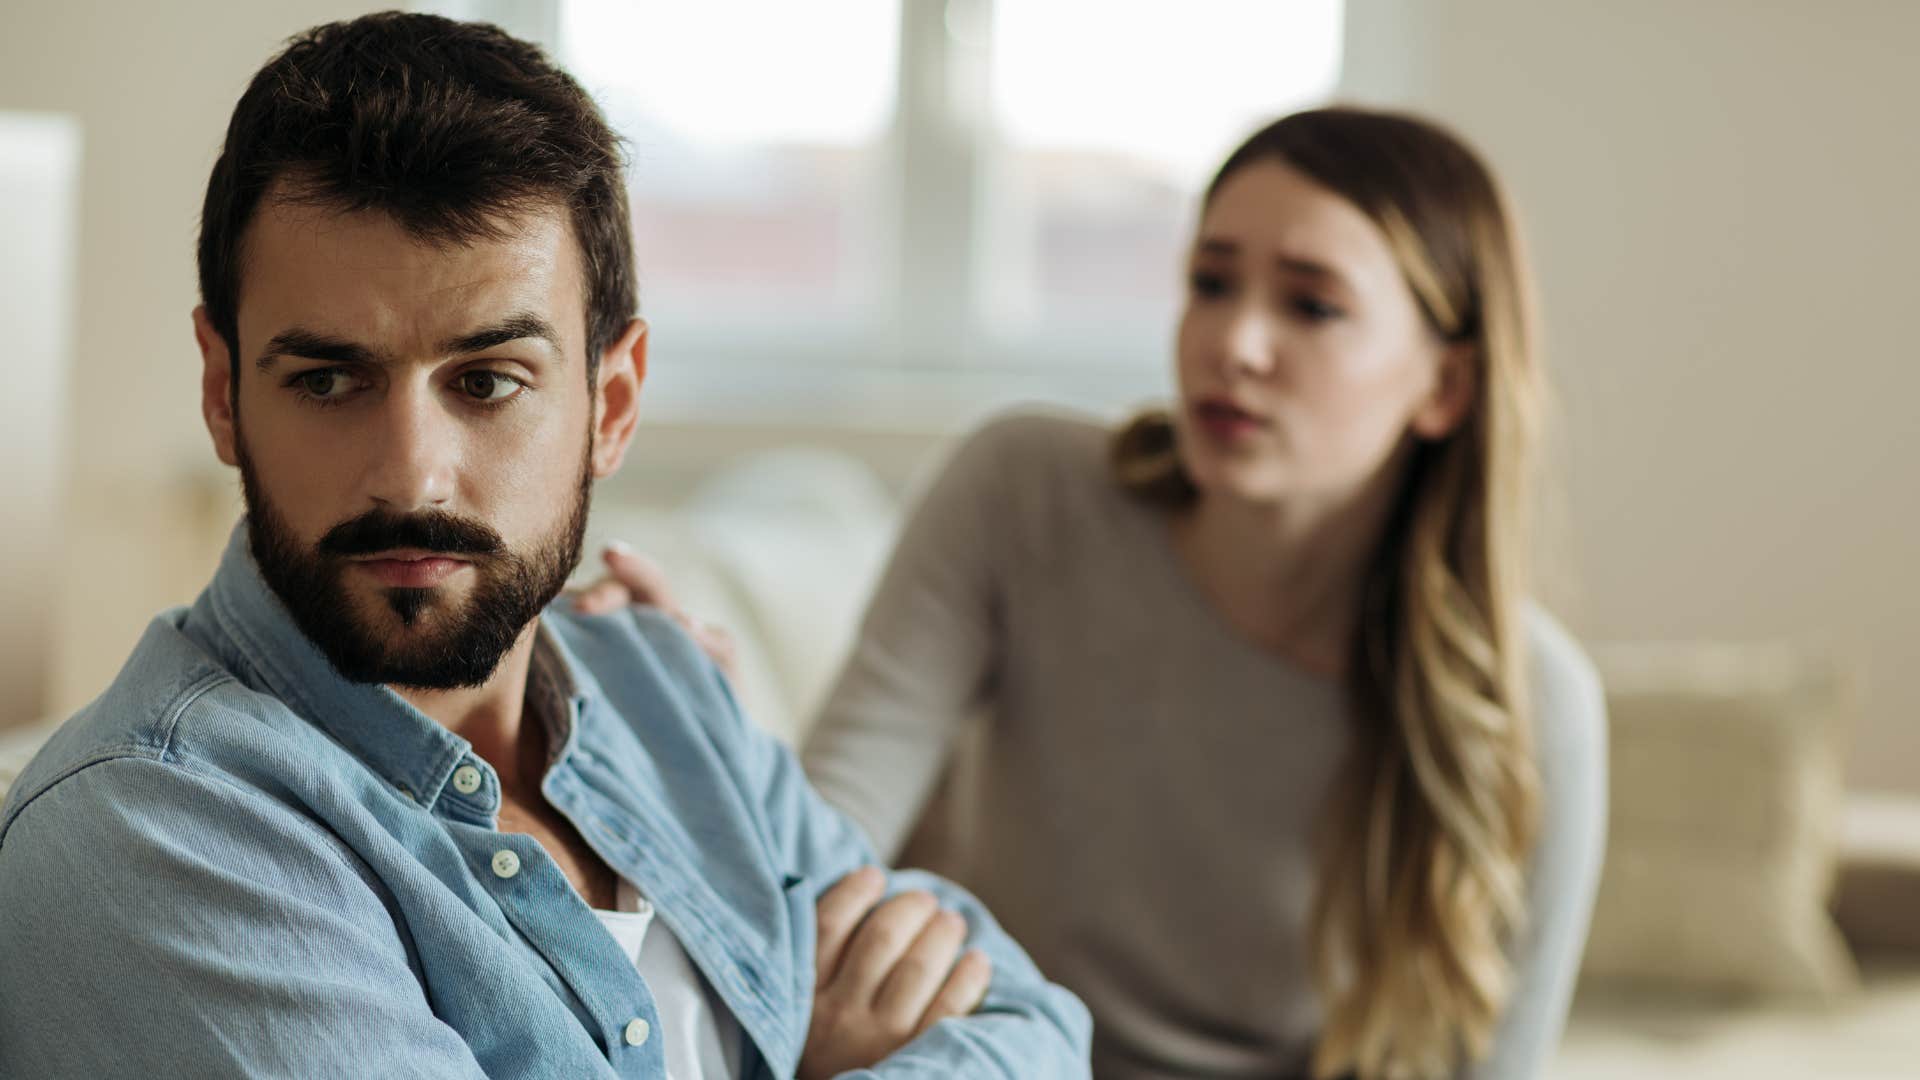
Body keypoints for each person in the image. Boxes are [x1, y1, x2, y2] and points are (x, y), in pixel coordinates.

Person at [0, 13, 1088, 1078]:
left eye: (487, 382)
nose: (411, 472)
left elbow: (1033, 1027)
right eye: (327, 381)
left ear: (611, 405)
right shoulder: (154, 838)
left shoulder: (663, 688)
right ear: (222, 391)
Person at [581, 107, 1609, 1079]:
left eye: (1312, 305)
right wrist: (705, 730)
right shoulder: (1024, 492)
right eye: (1211, 282)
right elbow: (821, 862)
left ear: (1446, 388)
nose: (1235, 342)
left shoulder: (1533, 699)